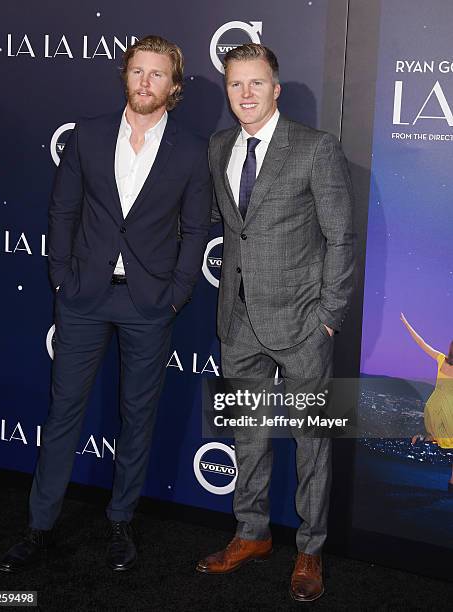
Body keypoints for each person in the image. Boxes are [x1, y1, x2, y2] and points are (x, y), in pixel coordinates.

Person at [0, 35, 212, 573]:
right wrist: (61, 278)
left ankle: (120, 523)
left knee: (137, 417)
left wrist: (177, 294)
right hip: (83, 299)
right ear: (125, 76)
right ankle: (39, 527)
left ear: (174, 86)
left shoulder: (190, 150)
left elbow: (195, 232)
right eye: (137, 70)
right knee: (63, 412)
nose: (145, 81)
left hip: (149, 304)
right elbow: (62, 213)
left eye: (157, 74)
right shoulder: (87, 136)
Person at [196, 44, 355, 602]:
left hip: (304, 325)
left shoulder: (316, 148)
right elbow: (228, 225)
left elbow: (340, 237)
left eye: (256, 84)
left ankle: (310, 549)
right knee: (248, 437)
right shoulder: (219, 147)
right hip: (237, 320)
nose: (245, 94)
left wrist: (328, 318)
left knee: (313, 442)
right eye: (235, 84)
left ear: (276, 88)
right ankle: (252, 534)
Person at [400, 312, 453, 489]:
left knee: (436, 436)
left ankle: (421, 437)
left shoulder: (440, 359)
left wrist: (407, 324)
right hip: (448, 409)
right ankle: (452, 480)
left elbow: (421, 342)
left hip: (434, 405)